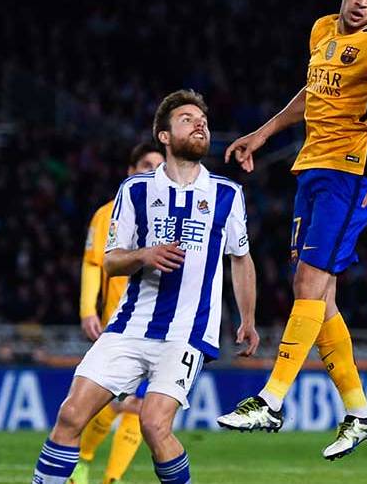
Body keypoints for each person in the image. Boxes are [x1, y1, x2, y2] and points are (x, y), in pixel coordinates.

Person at [215, 0, 367, 461]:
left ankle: (271, 399)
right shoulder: (322, 30)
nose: (363, 0)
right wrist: (263, 134)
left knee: (308, 284)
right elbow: (312, 94)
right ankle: (360, 413)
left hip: (349, 176)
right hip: (311, 170)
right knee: (320, 300)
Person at [31, 89, 258, 484]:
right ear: (164, 136)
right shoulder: (135, 191)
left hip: (187, 333)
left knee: (153, 423)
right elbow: (111, 261)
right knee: (70, 415)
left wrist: (248, 319)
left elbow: (240, 258)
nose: (199, 124)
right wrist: (144, 255)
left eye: (203, 120)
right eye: (187, 119)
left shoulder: (227, 194)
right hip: (129, 326)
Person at [71, 142, 164, 484]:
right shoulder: (109, 212)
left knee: (140, 407)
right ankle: (83, 460)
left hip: (162, 328)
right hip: (121, 327)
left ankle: (109, 477)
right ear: (131, 172)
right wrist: (87, 309)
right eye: (146, 165)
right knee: (113, 403)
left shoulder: (175, 215)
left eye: (159, 166)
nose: (153, 172)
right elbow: (93, 263)